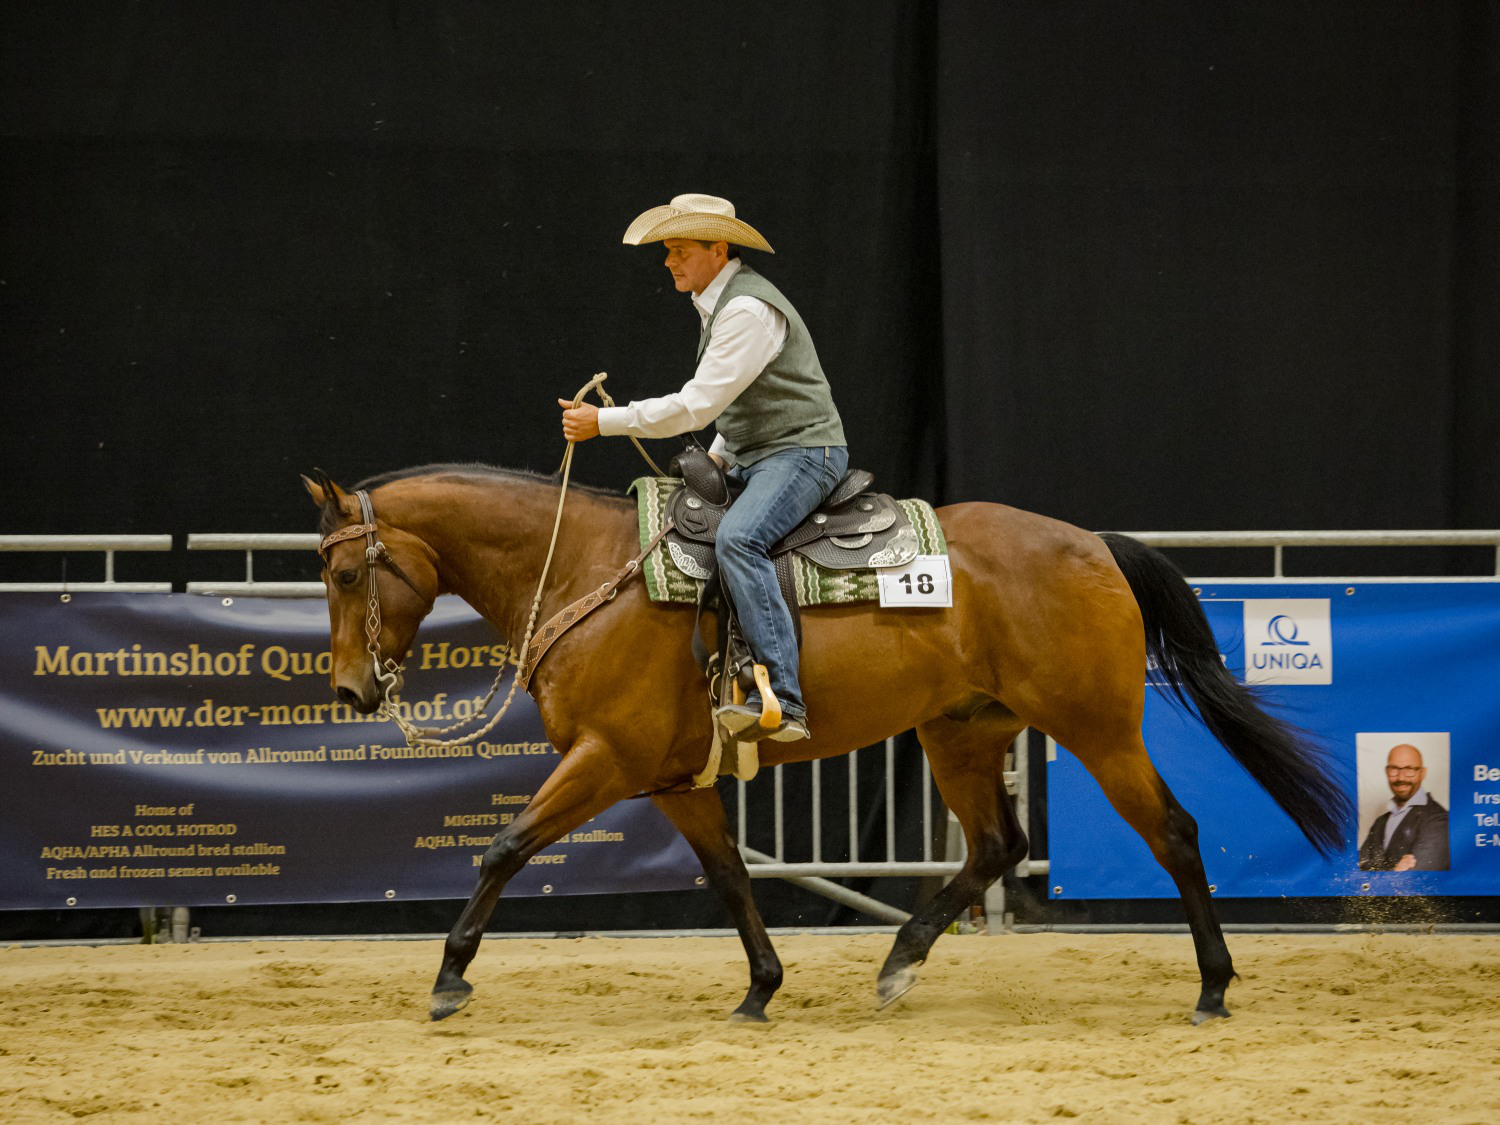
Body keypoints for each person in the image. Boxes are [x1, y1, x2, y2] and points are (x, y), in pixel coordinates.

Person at [558, 194, 848, 743]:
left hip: (804, 454)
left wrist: (605, 421)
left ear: (719, 249)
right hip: (759, 454)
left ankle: (784, 699)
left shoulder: (746, 311)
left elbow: (697, 405)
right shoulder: (720, 305)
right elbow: (740, 402)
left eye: (680, 250)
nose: (669, 261)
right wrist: (719, 453)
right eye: (667, 250)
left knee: (740, 539)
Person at [1358, 743, 1450, 871]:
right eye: (1394, 769)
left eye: (1409, 769)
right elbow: (1358, 870)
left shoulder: (1439, 820)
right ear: (1387, 772)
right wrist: (1395, 870)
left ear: (1422, 773)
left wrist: (1381, 873)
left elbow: (1419, 878)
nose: (1401, 777)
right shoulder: (1380, 823)